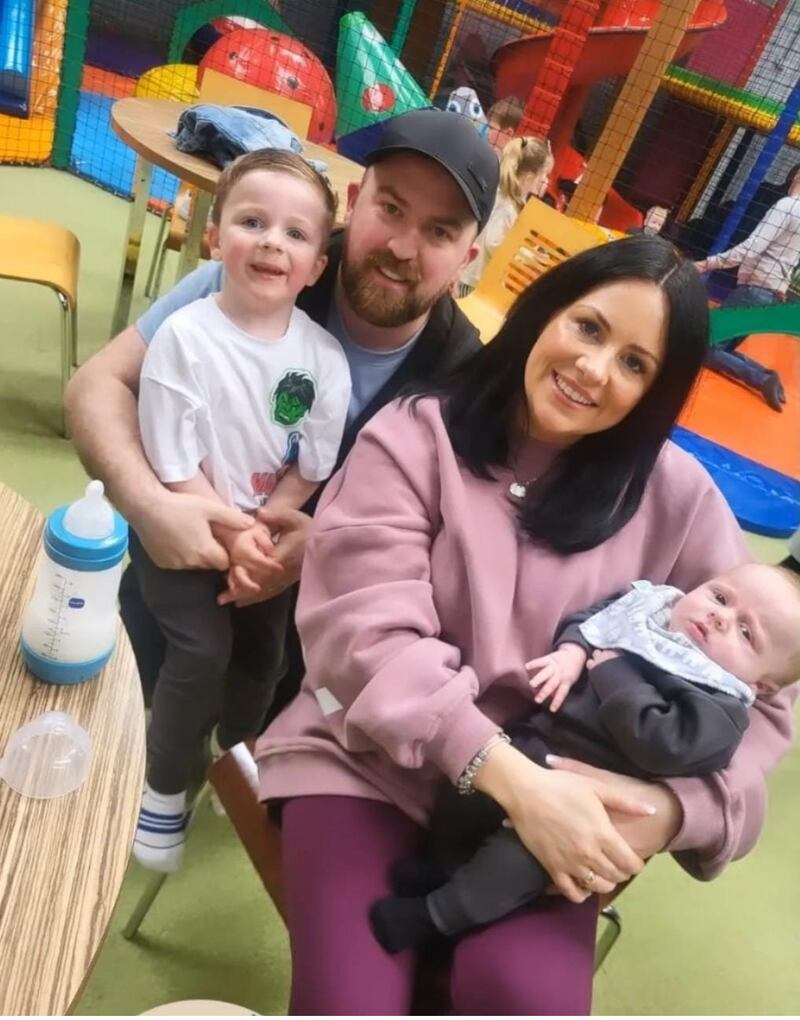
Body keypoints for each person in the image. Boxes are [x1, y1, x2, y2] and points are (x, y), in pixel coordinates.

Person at [254, 236, 796, 1015]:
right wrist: (514, 782)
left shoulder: (680, 501)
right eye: (589, 328)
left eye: (636, 364)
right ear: (545, 313)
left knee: (526, 997)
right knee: (353, 1003)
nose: (595, 370)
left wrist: (672, 812)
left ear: (658, 392)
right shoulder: (417, 437)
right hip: (368, 764)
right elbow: (366, 635)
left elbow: (759, 704)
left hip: (554, 816)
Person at [64, 108, 499, 714]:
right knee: (135, 704)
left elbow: (455, 541)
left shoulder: (464, 377)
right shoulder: (265, 273)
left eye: (440, 232)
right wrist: (152, 506)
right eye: (391, 209)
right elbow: (96, 385)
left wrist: (323, 544)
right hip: (180, 564)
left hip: (318, 632)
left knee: (255, 733)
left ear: (467, 259)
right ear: (353, 201)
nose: (403, 246)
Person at [369, 563, 800, 951]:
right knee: (467, 802)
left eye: (746, 633)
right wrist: (573, 651)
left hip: (586, 801)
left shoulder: (719, 707)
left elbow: (662, 743)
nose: (720, 617)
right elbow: (598, 620)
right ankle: (444, 871)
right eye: (721, 597)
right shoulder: (654, 612)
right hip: (534, 745)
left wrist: (613, 674)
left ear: (761, 687)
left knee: (515, 862)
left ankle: (437, 917)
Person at [131, 150, 351, 872]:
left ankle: (235, 754)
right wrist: (234, 536)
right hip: (184, 528)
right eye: (252, 222)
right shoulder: (184, 337)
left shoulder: (322, 360)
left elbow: (307, 468)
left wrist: (264, 532)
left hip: (263, 542)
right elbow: (173, 466)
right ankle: (162, 791)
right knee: (200, 652)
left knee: (267, 654)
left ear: (317, 265)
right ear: (215, 234)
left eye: (294, 234)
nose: (270, 242)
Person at [695, 163, 800, 411]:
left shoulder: (787, 206)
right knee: (721, 347)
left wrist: (707, 264)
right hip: (771, 295)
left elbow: (752, 247)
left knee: (703, 347)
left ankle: (762, 379)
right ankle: (766, 376)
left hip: (755, 289)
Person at [458, 136, 553, 296]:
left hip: (468, 274)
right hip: (472, 280)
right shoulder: (507, 206)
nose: (546, 180)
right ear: (529, 178)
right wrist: (522, 254)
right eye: (544, 175)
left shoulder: (503, 194)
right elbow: (493, 242)